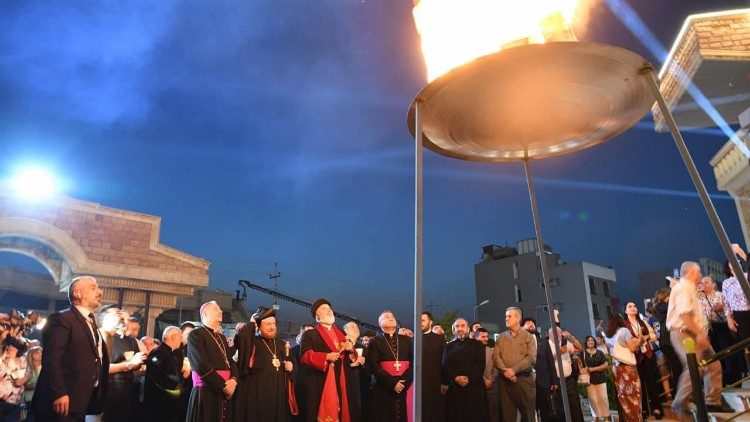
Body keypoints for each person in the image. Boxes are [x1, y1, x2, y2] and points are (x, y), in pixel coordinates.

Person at [32, 276, 110, 422]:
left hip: (80, 401)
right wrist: (59, 392)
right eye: (93, 288)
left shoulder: (91, 323)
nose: (100, 292)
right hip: (61, 403)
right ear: (77, 293)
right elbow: (52, 358)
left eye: (98, 287)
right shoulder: (61, 319)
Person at [667, 261, 730, 418]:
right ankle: (679, 403)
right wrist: (699, 334)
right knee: (695, 366)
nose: (701, 276)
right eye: (699, 272)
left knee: (713, 364)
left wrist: (701, 332)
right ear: (690, 272)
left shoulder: (689, 289)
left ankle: (712, 401)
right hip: (683, 332)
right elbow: (684, 314)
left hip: (695, 333)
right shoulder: (683, 288)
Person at [299, 299, 360, 422]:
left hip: (342, 380)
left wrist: (351, 349)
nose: (328, 310)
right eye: (324, 309)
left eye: (329, 308)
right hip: (320, 381)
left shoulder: (342, 334)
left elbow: (351, 358)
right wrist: (325, 357)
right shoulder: (310, 334)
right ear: (317, 317)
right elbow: (304, 356)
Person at [234, 306, 296, 421]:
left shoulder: (282, 345)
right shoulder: (252, 343)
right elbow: (241, 338)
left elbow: (293, 364)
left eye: (274, 324)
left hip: (278, 397)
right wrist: (252, 323)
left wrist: (291, 367)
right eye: (268, 324)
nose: (272, 327)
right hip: (256, 396)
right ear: (258, 326)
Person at [186, 301, 238, 422]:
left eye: (220, 309)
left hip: (224, 391)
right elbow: (200, 364)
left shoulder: (222, 338)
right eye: (216, 309)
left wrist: (234, 380)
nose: (220, 311)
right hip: (206, 391)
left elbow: (230, 360)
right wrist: (224, 385)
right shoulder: (196, 335)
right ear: (205, 314)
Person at [367, 310, 412, 422]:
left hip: (403, 384)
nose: (391, 318)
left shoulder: (406, 340)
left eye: (392, 316)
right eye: (386, 317)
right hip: (384, 386)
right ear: (380, 324)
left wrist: (404, 382)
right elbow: (373, 364)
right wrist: (392, 383)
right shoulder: (375, 341)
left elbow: (413, 362)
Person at [700, 275, 744, 387]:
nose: (704, 285)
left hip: (723, 326)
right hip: (710, 329)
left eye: (707, 282)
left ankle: (735, 381)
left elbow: (730, 308)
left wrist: (723, 308)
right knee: (717, 357)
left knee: (729, 354)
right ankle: (722, 382)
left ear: (713, 284)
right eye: (702, 283)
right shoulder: (699, 298)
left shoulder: (721, 295)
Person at [624, 301, 663, 420]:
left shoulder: (643, 322)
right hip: (635, 357)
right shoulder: (624, 325)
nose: (633, 308)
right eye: (630, 306)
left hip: (648, 354)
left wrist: (645, 337)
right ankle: (644, 409)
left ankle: (657, 408)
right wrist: (637, 341)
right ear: (625, 311)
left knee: (651, 381)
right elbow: (624, 341)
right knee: (639, 385)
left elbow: (654, 335)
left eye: (634, 306)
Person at [443, 318, 486, 421]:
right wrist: (456, 377)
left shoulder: (477, 345)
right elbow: (445, 365)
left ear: (467, 329)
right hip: (455, 389)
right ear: (453, 330)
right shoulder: (448, 347)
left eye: (462, 326)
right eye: (457, 326)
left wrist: (468, 378)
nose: (460, 329)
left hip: (474, 387)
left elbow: (480, 364)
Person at [105, 316, 146, 421]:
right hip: (110, 387)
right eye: (124, 319)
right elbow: (104, 366)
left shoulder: (131, 341)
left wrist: (135, 363)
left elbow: (139, 362)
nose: (126, 323)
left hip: (128, 387)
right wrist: (129, 363)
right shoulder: (107, 338)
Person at [143, 326, 187, 422]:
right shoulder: (158, 353)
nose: (181, 340)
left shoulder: (171, 353)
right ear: (173, 337)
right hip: (160, 403)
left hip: (169, 401)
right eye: (180, 337)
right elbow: (159, 378)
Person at [606, 313, 641, 422]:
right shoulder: (624, 331)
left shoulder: (608, 336)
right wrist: (640, 339)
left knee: (623, 399)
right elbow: (632, 348)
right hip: (627, 368)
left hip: (616, 369)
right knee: (633, 397)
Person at [546, 326, 584, 422]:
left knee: (574, 405)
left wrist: (571, 338)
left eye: (559, 332)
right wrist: (558, 353)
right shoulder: (546, 345)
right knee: (559, 407)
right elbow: (545, 361)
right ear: (549, 335)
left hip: (569, 379)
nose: (557, 335)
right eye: (555, 333)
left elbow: (579, 348)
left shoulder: (565, 343)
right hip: (556, 381)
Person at [420, 311, 445, 422]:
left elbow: (444, 362)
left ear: (430, 322)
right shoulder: (412, 340)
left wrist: (444, 382)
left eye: (422, 320)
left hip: (435, 382)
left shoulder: (439, 339)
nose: (419, 323)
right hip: (417, 383)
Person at [581, 335, 610, 421]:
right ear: (586, 343)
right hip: (589, 380)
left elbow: (606, 365)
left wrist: (593, 369)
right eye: (589, 341)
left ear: (594, 342)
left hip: (600, 379)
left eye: (592, 340)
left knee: (603, 398)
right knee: (593, 399)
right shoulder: (583, 353)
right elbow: (580, 365)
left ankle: (606, 417)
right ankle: (596, 417)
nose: (590, 342)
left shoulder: (599, 352)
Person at [0, 336, 28, 421]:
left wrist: (11, 369)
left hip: (13, 401)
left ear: (18, 350)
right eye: (9, 345)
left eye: (13, 346)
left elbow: (18, 382)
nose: (9, 348)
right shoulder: (2, 357)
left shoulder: (23, 362)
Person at [475, 328, 500, 422]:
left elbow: (497, 367)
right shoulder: (470, 352)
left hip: (491, 388)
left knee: (493, 414)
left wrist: (491, 380)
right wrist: (482, 380)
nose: (486, 339)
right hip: (476, 387)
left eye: (486, 336)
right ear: (476, 337)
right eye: (483, 337)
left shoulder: (492, 351)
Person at [290, 324, 313, 422]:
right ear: (301, 333)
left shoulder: (318, 351)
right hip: (298, 389)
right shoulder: (293, 351)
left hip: (313, 389)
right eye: (307, 333)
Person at [24, 345, 42, 422]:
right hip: (30, 399)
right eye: (37, 353)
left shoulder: (46, 367)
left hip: (43, 399)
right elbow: (24, 385)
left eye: (41, 352)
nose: (40, 354)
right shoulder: (27, 369)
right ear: (31, 356)